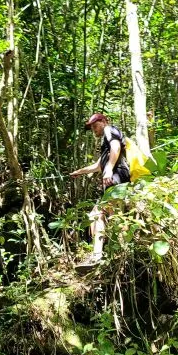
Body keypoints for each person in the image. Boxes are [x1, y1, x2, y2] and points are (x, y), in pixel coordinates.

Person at [69, 113, 130, 265]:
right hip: (112, 179)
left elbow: (116, 147)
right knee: (96, 215)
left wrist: (109, 169)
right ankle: (98, 255)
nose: (93, 130)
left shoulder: (110, 130)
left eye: (95, 126)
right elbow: (97, 166)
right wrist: (79, 172)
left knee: (112, 213)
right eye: (91, 128)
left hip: (117, 176)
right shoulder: (105, 145)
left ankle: (124, 253)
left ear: (103, 122)